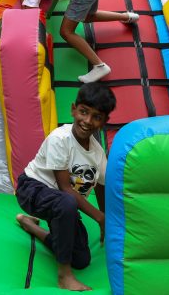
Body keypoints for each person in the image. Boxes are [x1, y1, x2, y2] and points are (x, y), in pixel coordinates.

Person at [14, 83, 116, 292]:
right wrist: (99, 217)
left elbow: (101, 185)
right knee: (67, 201)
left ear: (104, 121)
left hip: (60, 203)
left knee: (81, 259)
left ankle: (30, 225)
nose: (87, 121)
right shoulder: (60, 139)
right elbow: (65, 189)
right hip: (32, 189)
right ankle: (64, 276)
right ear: (73, 109)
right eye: (84, 112)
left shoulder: (98, 153)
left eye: (96, 117)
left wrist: (105, 220)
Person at [0, 0, 138, 83]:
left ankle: (100, 66)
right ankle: (126, 17)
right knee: (88, 16)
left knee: (66, 32)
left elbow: (30, 13)